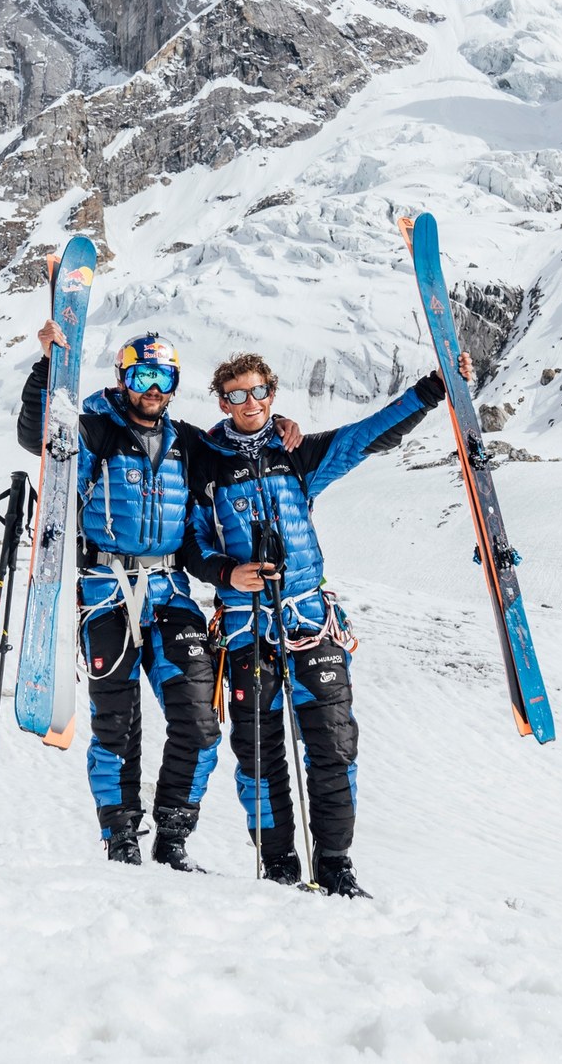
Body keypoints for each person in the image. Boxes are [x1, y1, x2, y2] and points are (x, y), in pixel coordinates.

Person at [183, 349, 473, 898]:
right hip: (245, 628)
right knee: (259, 752)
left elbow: (367, 436)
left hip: (310, 620)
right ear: (223, 401)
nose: (252, 403)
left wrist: (433, 390)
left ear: (273, 393)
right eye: (238, 395)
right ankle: (279, 868)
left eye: (261, 392)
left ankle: (336, 865)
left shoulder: (298, 453)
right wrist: (226, 570)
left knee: (334, 745)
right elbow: (190, 544)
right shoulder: (204, 461)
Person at [17, 324, 301, 872]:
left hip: (171, 593)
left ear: (173, 384)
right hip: (106, 592)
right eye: (143, 375)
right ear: (124, 378)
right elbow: (38, 437)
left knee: (199, 722)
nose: (153, 386)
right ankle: (121, 836)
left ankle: (172, 839)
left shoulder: (186, 441)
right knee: (116, 722)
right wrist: (46, 364)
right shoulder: (96, 431)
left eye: (163, 376)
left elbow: (238, 439)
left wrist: (281, 427)